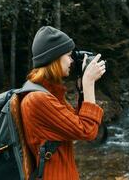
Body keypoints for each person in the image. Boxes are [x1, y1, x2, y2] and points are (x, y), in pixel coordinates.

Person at [20, 26, 106, 180]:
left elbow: (75, 124)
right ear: (54, 58)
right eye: (68, 55)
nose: (72, 60)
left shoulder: (47, 92)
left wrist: (81, 89)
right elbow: (88, 131)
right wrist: (89, 83)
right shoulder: (38, 100)